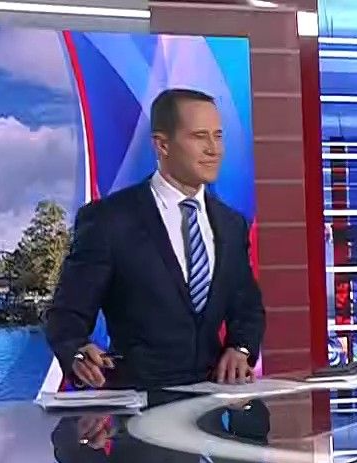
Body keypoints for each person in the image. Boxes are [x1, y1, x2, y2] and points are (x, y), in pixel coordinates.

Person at [45, 88, 264, 391]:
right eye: (199, 137)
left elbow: (247, 307)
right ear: (162, 145)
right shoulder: (109, 220)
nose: (214, 149)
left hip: (213, 400)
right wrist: (76, 351)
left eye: (218, 136)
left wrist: (240, 348)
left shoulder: (231, 224)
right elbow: (67, 313)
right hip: (139, 401)